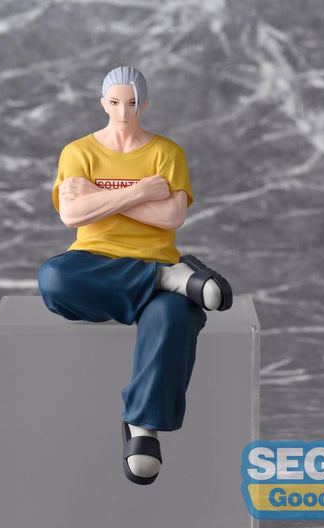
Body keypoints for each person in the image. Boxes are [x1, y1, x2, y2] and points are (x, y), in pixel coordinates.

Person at [38, 66, 232, 485]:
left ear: (144, 103)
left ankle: (143, 427)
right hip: (93, 264)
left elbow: (172, 217)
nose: (123, 112)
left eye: (131, 103)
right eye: (114, 103)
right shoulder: (78, 152)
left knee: (175, 316)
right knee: (54, 278)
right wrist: (141, 191)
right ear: (102, 103)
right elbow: (71, 214)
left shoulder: (167, 152)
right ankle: (167, 279)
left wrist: (98, 196)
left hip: (155, 254)